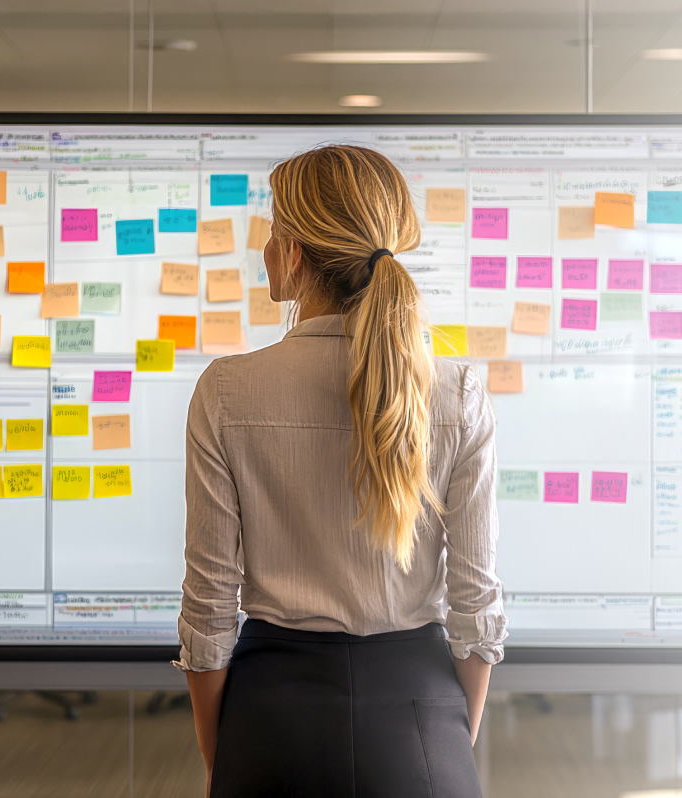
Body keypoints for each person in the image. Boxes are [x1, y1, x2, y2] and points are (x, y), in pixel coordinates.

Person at [177, 144, 506, 797]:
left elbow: (209, 608)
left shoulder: (226, 391)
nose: (266, 251)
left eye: (272, 234)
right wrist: (444, 733)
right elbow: (474, 603)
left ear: (295, 252)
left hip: (271, 717)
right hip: (421, 716)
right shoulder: (459, 391)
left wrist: (224, 749)